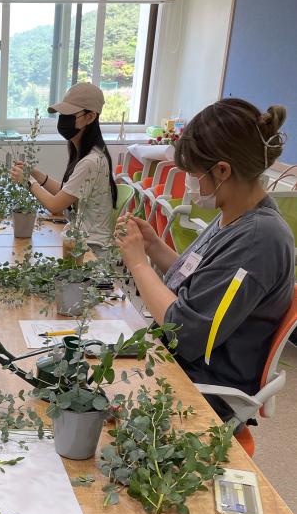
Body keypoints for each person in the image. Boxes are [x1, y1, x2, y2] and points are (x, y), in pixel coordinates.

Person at [115, 98, 294, 421]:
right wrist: (154, 247)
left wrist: (139, 264)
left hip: (201, 390)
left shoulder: (258, 239)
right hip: (177, 365)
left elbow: (183, 332)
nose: (190, 182)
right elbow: (196, 282)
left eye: (193, 174)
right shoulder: (233, 215)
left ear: (222, 170)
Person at [10, 82, 117, 248]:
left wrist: (28, 181)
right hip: (78, 241)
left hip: (90, 248)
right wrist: (36, 174)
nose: (63, 119)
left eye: (70, 114)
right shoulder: (86, 154)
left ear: (90, 117)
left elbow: (55, 205)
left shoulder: (91, 161)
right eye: (62, 114)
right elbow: (64, 194)